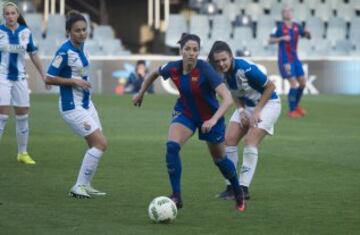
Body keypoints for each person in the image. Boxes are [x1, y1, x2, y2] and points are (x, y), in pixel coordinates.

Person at [133, 33, 246, 212]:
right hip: (186, 113)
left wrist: (213, 119)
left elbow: (227, 99)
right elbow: (154, 73)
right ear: (181, 50)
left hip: (210, 116)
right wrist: (140, 93)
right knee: (171, 147)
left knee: (220, 160)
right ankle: (176, 196)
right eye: (188, 49)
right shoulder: (173, 68)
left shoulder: (205, 69)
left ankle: (238, 191)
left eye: (195, 50)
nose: (192, 53)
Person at [207, 41, 281, 200]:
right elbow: (234, 92)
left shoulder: (246, 69)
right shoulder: (221, 73)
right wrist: (240, 110)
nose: (221, 63)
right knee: (229, 140)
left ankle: (243, 188)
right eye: (218, 61)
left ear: (231, 57)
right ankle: (231, 187)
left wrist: (257, 111)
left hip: (268, 104)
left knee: (250, 140)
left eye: (224, 59)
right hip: (247, 106)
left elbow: (271, 87)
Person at [45, 11, 107, 198]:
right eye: (77, 30)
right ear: (68, 32)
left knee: (94, 145)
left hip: (87, 104)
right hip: (71, 106)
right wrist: (73, 82)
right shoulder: (64, 52)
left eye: (84, 29)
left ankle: (85, 185)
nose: (82, 33)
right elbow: (48, 78)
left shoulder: (82, 48)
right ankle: (78, 186)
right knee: (101, 143)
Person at [0, 2, 50, 165]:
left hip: (20, 78)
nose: (10, 16)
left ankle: (22, 153)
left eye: (13, 13)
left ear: (18, 14)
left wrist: (44, 75)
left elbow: (34, 55)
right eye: (7, 14)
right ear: (3, 16)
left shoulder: (25, 32)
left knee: (22, 116)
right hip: (2, 77)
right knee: (2, 116)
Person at [269, 5, 311, 118]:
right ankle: (292, 111)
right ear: (282, 14)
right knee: (293, 83)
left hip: (295, 58)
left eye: (289, 11)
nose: (287, 13)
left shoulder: (297, 26)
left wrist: (308, 33)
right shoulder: (278, 27)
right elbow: (270, 40)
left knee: (302, 83)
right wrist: (281, 38)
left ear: (292, 13)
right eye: (285, 11)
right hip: (285, 59)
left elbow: (306, 35)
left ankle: (296, 106)